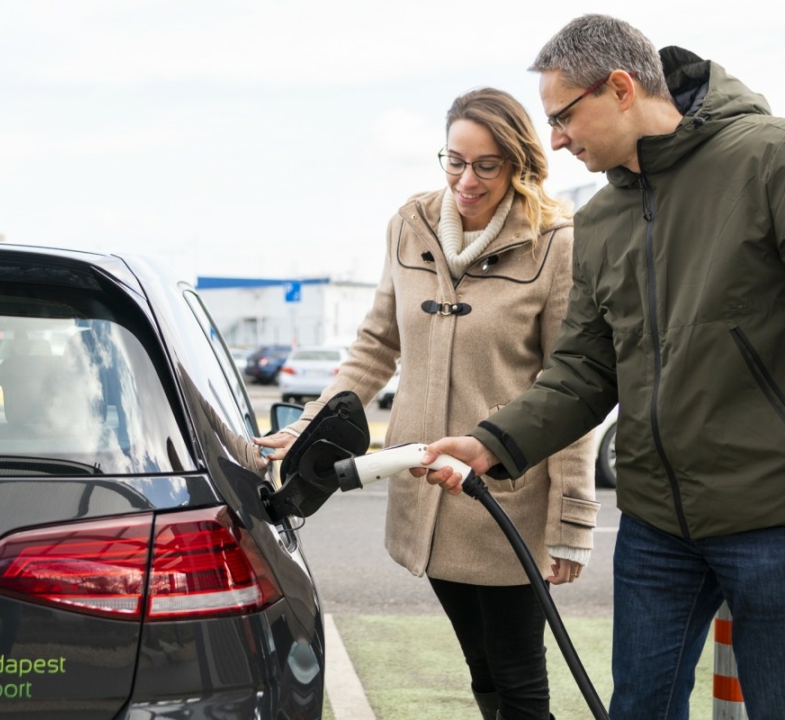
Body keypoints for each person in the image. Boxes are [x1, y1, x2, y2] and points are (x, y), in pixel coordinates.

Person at [417, 14, 785, 719]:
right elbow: (585, 366)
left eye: (561, 116)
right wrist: (490, 442)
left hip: (771, 516)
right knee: (639, 708)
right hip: (655, 526)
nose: (553, 138)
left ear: (620, 88)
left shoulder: (768, 160)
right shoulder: (605, 217)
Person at [256, 87, 598, 720]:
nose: (466, 180)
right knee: (481, 668)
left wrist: (572, 520)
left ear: (519, 163)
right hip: (425, 490)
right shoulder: (409, 224)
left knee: (521, 681)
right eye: (455, 161)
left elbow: (570, 389)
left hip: (506, 499)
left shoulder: (557, 243)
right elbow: (373, 349)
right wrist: (305, 427)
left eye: (487, 165)